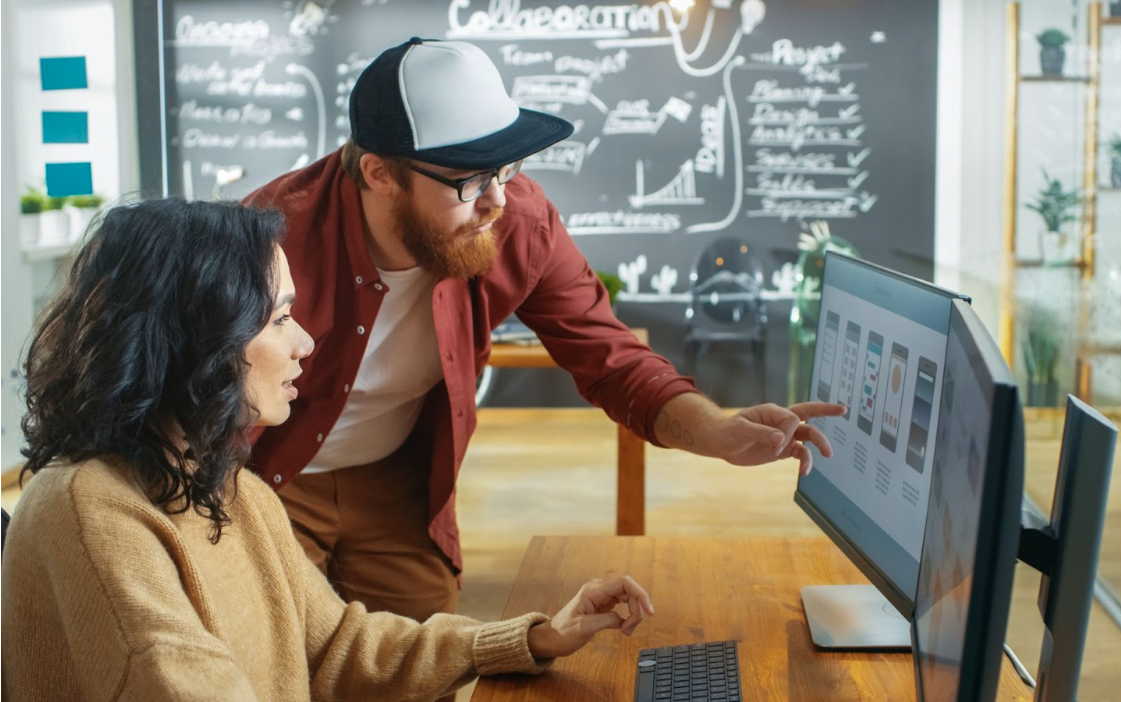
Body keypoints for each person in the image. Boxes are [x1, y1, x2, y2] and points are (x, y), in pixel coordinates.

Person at [244, 36, 847, 624]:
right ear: (379, 173)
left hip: (400, 479)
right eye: (469, 181)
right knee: (276, 656)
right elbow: (189, 399)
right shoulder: (267, 238)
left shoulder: (517, 222)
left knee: (420, 662)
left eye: (506, 169)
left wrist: (713, 430)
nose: (497, 201)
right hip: (268, 476)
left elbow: (612, 358)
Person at [1, 199, 654, 701]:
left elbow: (337, 644)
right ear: (199, 338)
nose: (305, 343)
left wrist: (535, 637)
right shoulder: (89, 509)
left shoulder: (229, 488)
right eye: (281, 318)